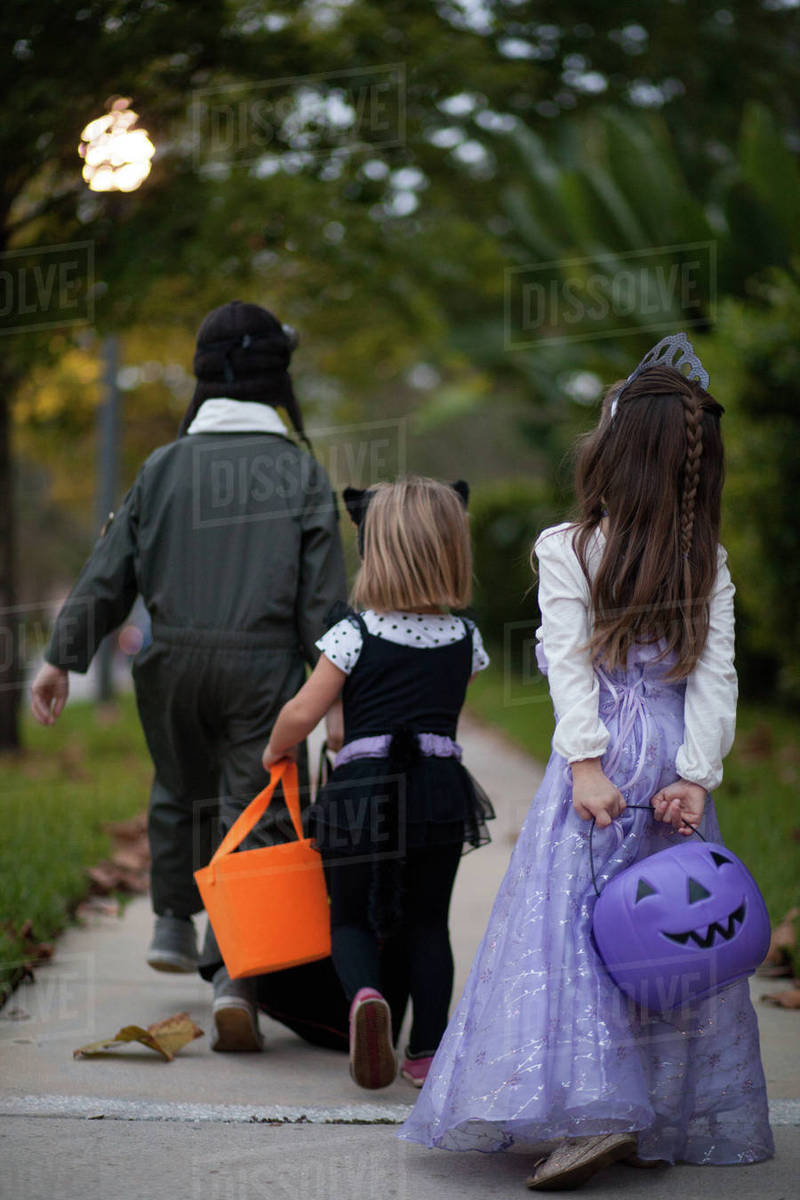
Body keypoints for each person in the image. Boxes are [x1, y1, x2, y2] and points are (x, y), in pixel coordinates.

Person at [398, 335, 774, 1188]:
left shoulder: (567, 545)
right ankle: (645, 1110)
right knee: (669, 932)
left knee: (579, 930)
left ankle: (595, 1108)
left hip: (602, 763)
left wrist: (585, 764)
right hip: (672, 759)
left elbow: (567, 666)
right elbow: (717, 676)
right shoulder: (703, 558)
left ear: (613, 451)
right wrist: (695, 773)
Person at [31, 300, 348, 1051]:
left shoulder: (163, 468)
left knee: (178, 785)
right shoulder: (299, 471)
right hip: (263, 669)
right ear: (279, 378)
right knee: (257, 810)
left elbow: (111, 573)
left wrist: (59, 657)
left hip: (168, 663)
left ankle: (173, 919)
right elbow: (324, 606)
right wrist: (337, 693)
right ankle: (236, 973)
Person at [262, 476, 495, 1089]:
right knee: (428, 924)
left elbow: (304, 713)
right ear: (452, 551)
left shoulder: (354, 632)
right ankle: (424, 1052)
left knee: (349, 920)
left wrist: (277, 748)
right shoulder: (466, 638)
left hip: (363, 789)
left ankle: (366, 997)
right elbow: (440, 710)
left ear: (374, 549)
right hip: (438, 788)